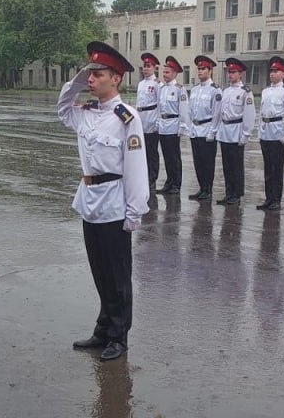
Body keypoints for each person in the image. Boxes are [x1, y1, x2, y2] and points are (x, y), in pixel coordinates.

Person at [58, 42, 150, 361]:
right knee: (99, 271)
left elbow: (137, 167)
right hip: (90, 201)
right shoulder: (85, 114)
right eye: (90, 73)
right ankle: (103, 329)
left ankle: (119, 336)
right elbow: (62, 107)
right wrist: (79, 80)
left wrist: (135, 211)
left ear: (116, 79)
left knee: (117, 276)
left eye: (98, 73)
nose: (92, 78)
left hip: (114, 203)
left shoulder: (127, 118)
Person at [256, 55, 284, 212]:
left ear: (283, 73)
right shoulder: (265, 91)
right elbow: (262, 113)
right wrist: (259, 131)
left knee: (276, 168)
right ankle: (268, 198)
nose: (272, 74)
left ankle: (276, 199)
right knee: (267, 168)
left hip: (278, 131)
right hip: (265, 131)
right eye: (271, 71)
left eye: (276, 71)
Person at [215, 56, 256, 206]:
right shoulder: (225, 91)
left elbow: (249, 114)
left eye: (234, 72)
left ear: (241, 74)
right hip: (225, 131)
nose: (230, 75)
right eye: (229, 72)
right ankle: (228, 192)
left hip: (237, 130)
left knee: (236, 165)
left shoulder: (245, 92)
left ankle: (237, 194)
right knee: (226, 165)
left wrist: (246, 134)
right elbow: (220, 113)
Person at [187, 54, 223, 200]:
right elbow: (190, 110)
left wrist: (212, 132)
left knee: (208, 162)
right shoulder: (195, 89)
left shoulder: (215, 90)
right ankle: (201, 187)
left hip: (207, 128)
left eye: (203, 69)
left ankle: (208, 190)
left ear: (210, 71)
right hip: (196, 129)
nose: (200, 71)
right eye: (199, 69)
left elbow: (217, 113)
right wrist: (190, 127)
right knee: (198, 161)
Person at [155, 55, 191, 194]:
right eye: (164, 72)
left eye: (167, 72)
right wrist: (158, 122)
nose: (165, 75)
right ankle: (169, 182)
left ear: (175, 73)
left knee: (174, 157)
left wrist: (182, 126)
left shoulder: (179, 89)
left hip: (173, 125)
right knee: (166, 157)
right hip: (163, 125)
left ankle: (176, 184)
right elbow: (159, 108)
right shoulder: (162, 88)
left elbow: (183, 109)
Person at [135, 51, 161, 188]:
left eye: (148, 66)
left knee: (152, 152)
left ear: (154, 67)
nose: (146, 69)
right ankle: (143, 176)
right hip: (141, 118)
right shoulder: (140, 84)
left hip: (151, 119)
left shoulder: (157, 84)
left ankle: (152, 178)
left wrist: (157, 122)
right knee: (141, 151)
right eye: (144, 66)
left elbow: (159, 104)